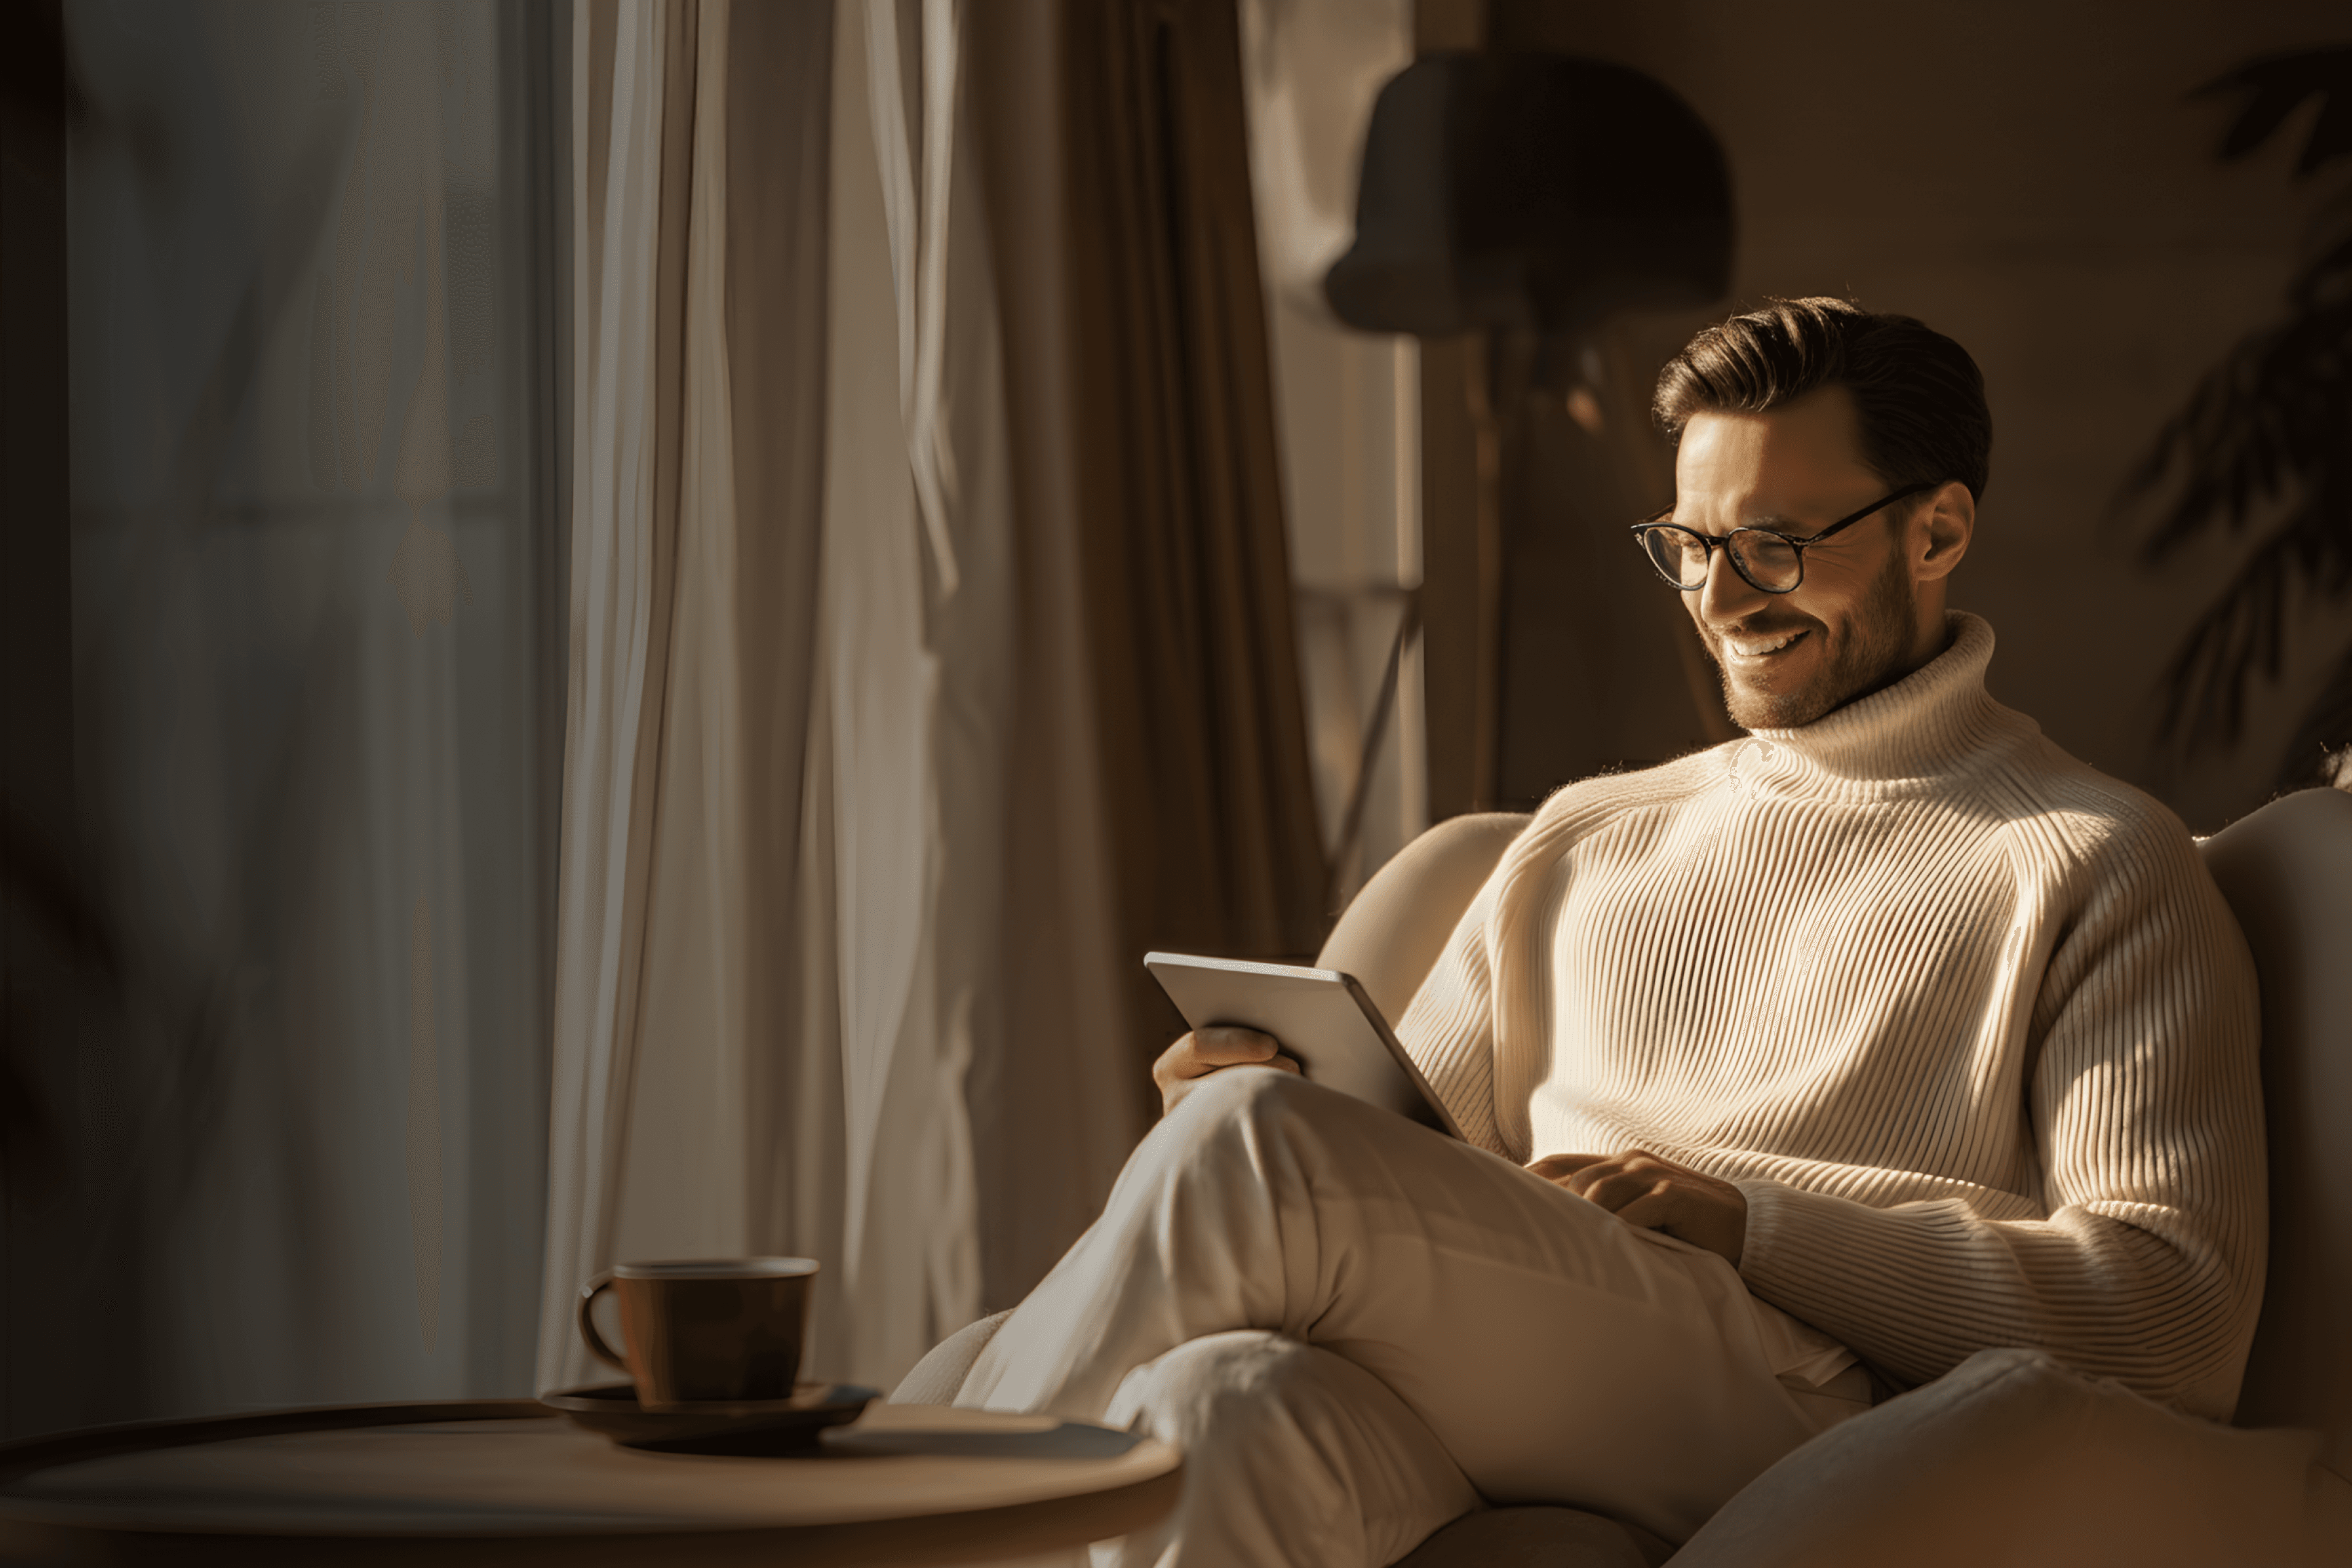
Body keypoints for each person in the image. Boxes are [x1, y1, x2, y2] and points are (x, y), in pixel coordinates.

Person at [954, 298, 2266, 1566]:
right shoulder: (1591, 832)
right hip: (1525, 1361)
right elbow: (1409, 1170)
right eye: (1689, 546)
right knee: (1216, 1410)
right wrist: (1275, 1087)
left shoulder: (2092, 858)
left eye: (1774, 544)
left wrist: (1752, 1221)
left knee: (1251, 1153)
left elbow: (2173, 1312)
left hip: (1801, 1389)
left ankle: (871, 1515)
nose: (1720, 598)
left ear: (1937, 532)